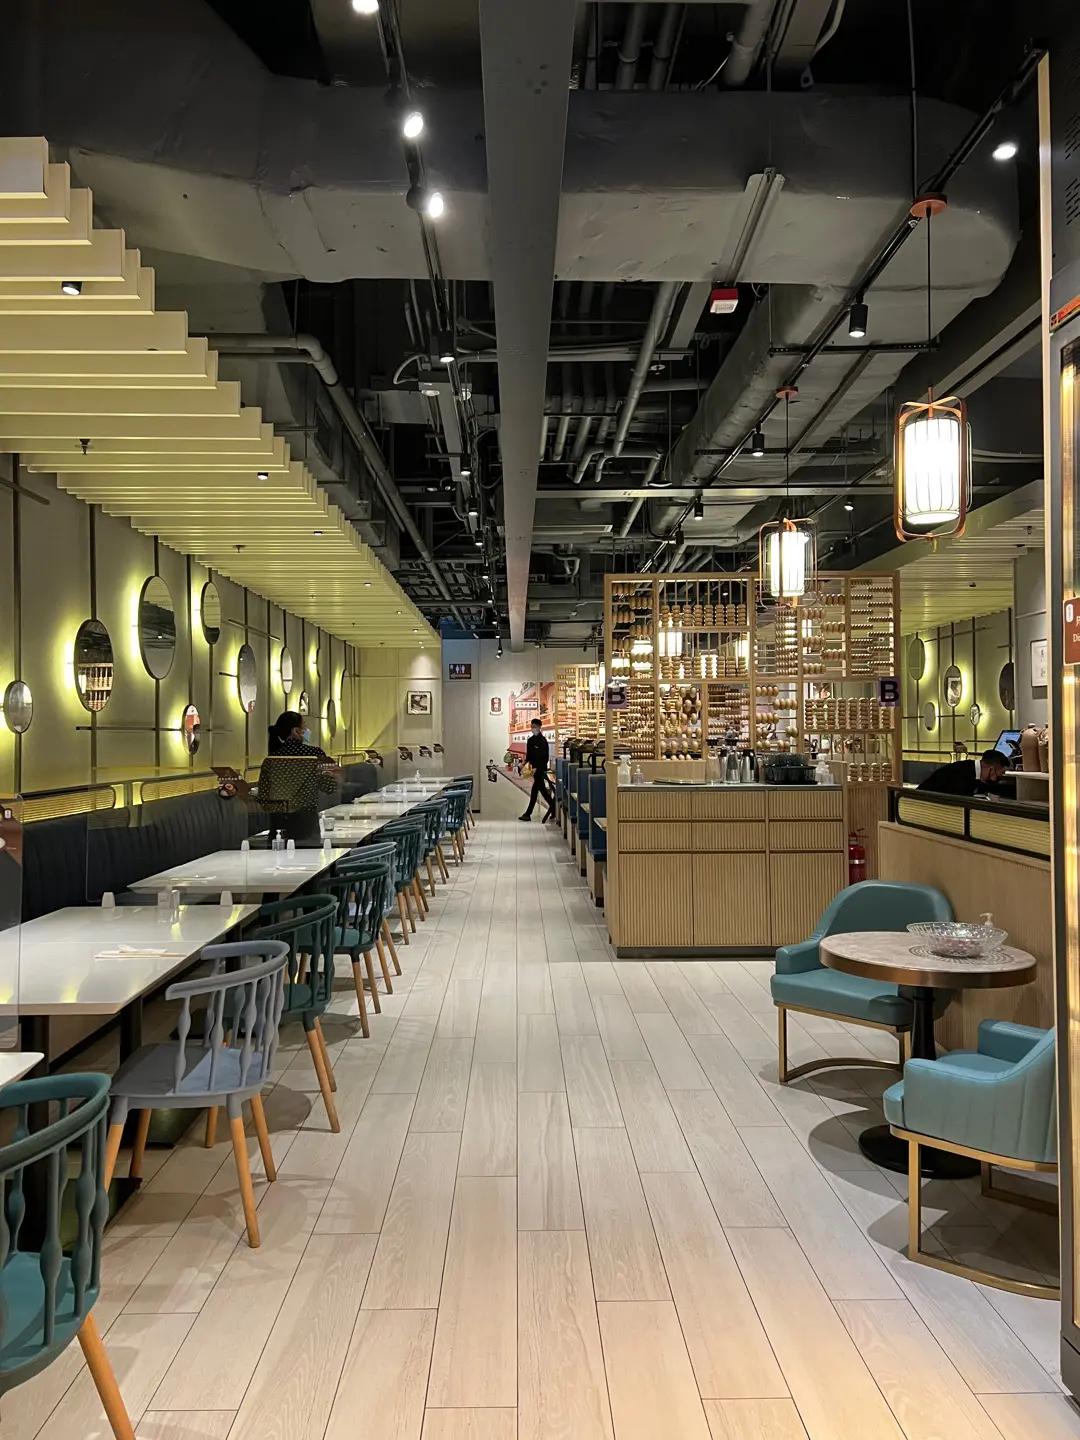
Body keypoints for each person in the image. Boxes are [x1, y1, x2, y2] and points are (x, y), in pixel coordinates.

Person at [258, 710, 340, 845]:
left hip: (278, 825)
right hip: (307, 824)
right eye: (304, 727)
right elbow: (330, 787)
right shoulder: (315, 755)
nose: (307, 731)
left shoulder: (271, 759)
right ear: (296, 731)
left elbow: (263, 796)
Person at [917, 748, 1010, 798]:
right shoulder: (961, 773)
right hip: (921, 805)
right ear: (992, 769)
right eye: (1001, 773)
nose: (1001, 776)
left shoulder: (971, 770)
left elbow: (990, 788)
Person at [520, 717, 555, 823]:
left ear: (539, 727)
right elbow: (529, 755)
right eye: (532, 727)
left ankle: (528, 814)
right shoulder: (530, 740)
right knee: (542, 790)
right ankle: (553, 809)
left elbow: (545, 758)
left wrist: (537, 768)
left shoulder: (543, 741)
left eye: (535, 727)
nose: (533, 729)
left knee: (535, 791)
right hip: (534, 769)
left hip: (540, 769)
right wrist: (523, 764)